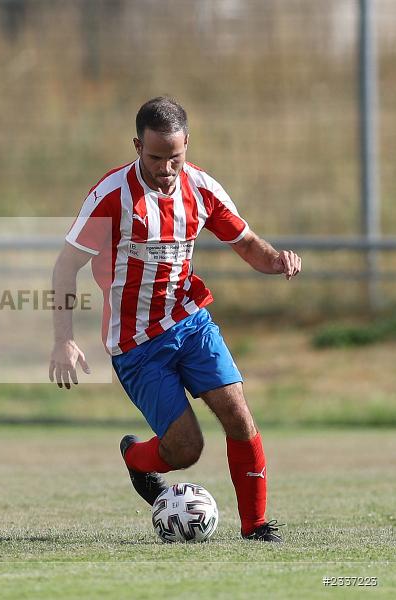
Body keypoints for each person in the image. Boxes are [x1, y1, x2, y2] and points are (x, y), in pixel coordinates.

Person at [49, 97, 301, 542]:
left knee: (238, 414)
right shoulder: (111, 197)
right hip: (136, 345)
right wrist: (63, 340)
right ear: (137, 146)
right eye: (156, 158)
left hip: (189, 323)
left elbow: (246, 243)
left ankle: (256, 525)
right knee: (187, 449)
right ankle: (136, 458)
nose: (166, 168)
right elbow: (65, 266)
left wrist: (277, 260)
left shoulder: (201, 189)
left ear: (187, 147)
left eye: (175, 158)